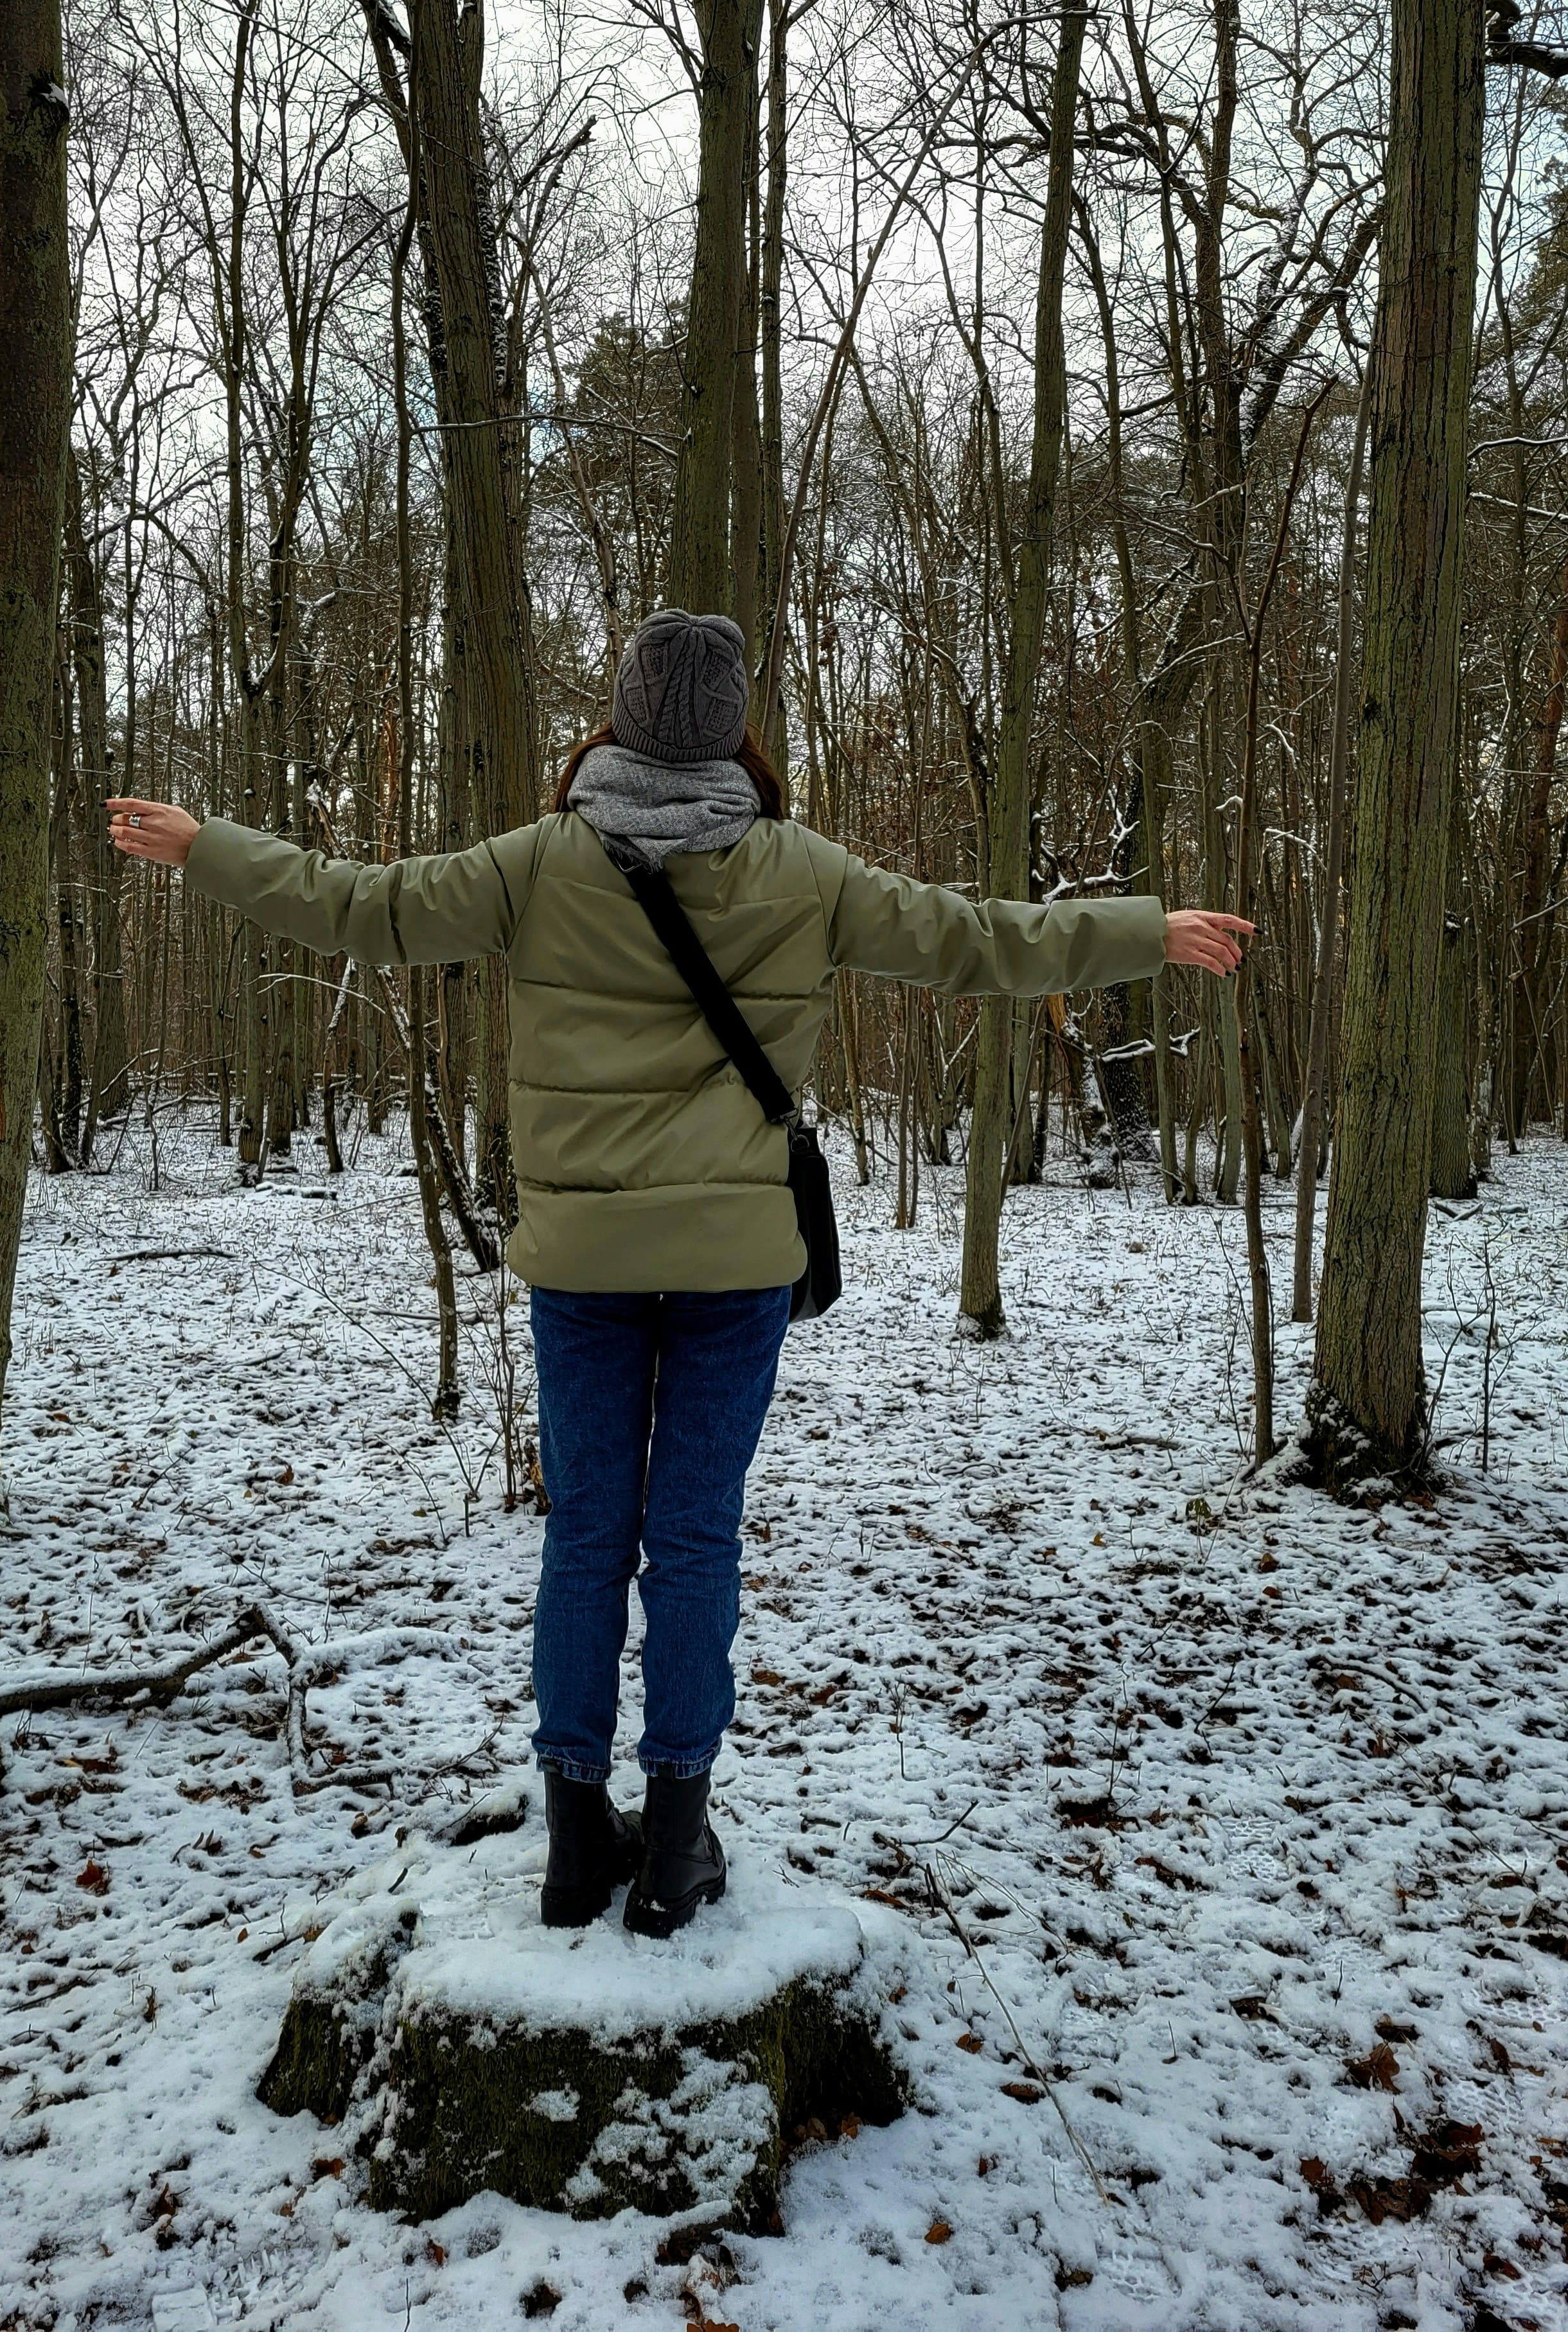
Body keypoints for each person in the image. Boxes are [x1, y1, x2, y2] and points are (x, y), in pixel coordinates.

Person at [110, 610, 1250, 1939]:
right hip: (731, 1264)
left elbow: (365, 908)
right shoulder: (802, 870)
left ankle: (573, 1835)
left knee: (589, 1530)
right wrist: (1141, 928)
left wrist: (208, 848)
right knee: (695, 1533)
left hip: (583, 1257)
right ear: (734, 730)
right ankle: (679, 1835)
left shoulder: (538, 860)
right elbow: (975, 939)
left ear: (620, 717)